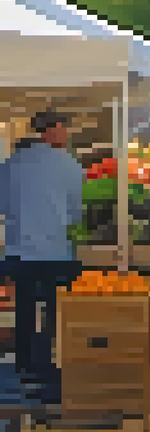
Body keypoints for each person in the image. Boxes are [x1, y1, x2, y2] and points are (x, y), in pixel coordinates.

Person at [0, 111, 83, 402]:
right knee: (53, 312)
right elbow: (76, 213)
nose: (65, 135)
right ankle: (50, 367)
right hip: (57, 252)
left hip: (20, 252)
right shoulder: (69, 165)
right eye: (63, 128)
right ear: (51, 130)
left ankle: (25, 368)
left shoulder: (10, 164)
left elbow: (3, 206)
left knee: (24, 309)